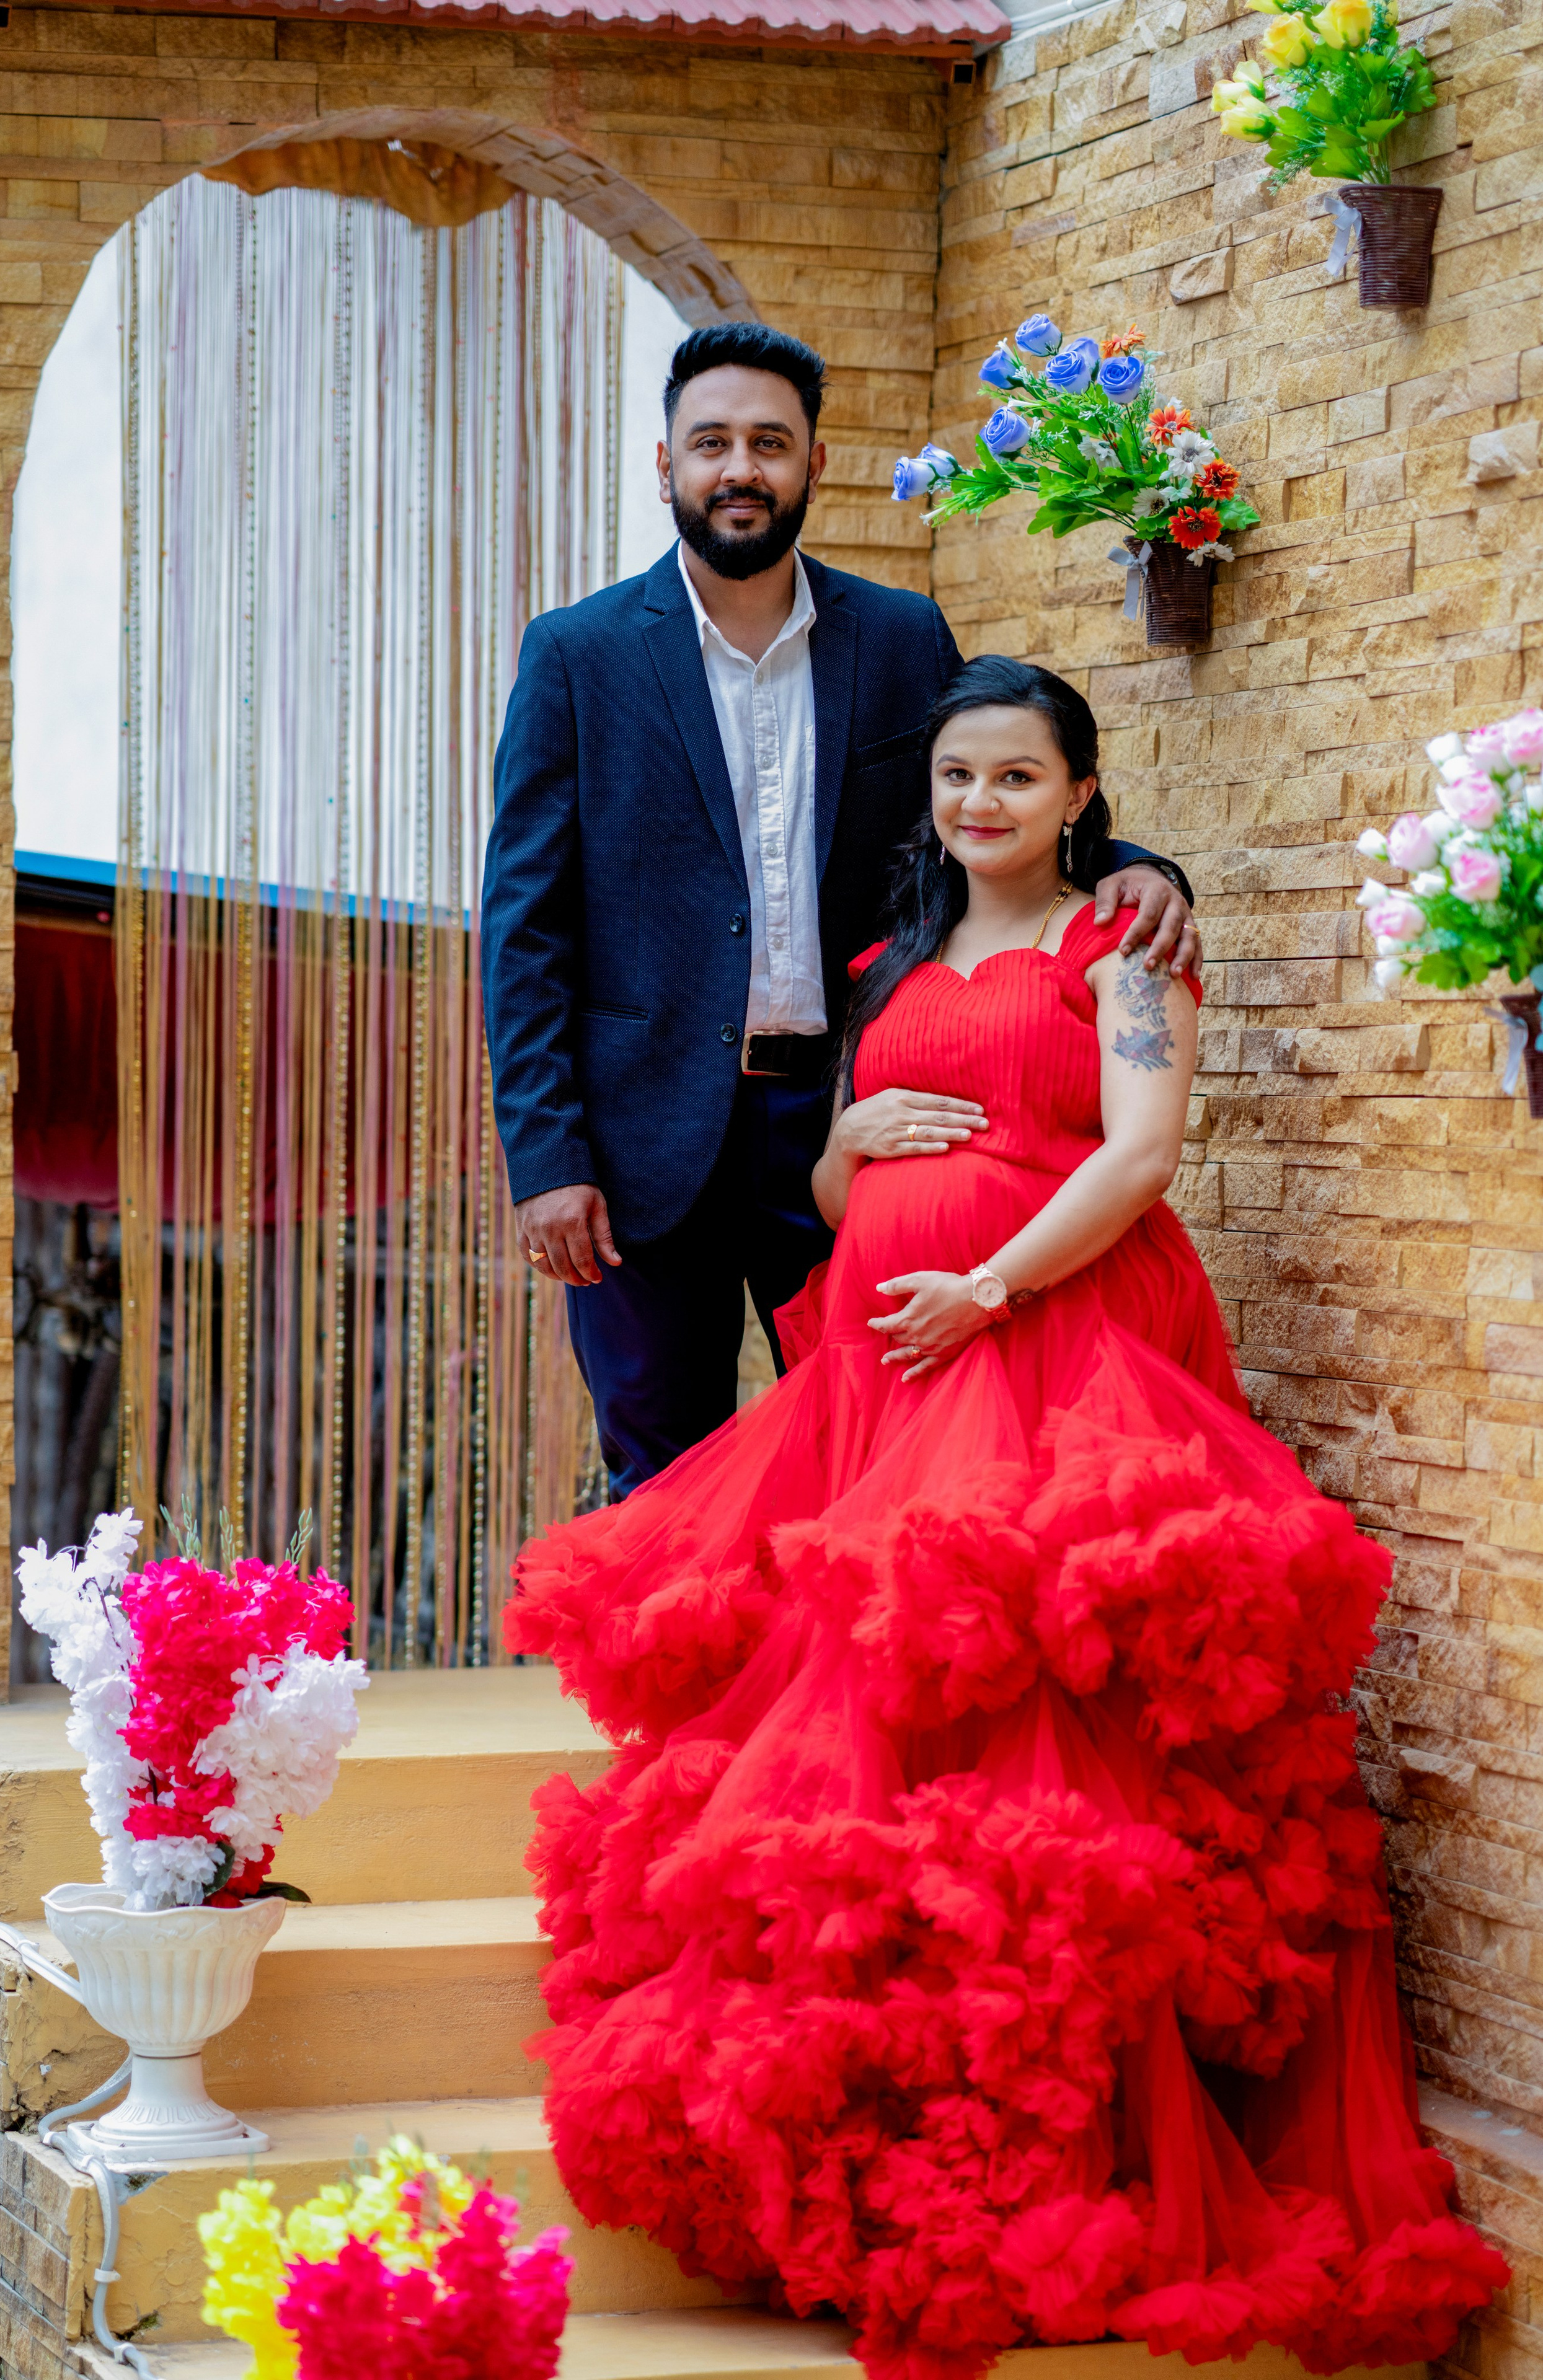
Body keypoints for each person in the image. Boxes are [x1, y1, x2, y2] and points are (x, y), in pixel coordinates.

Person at [505, 656, 1505, 2380]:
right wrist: (853, 1142)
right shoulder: (894, 962)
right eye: (962, 776)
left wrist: (982, 1286)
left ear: (1081, 795)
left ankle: (1066, 2165)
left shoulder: (1127, 951)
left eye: (1020, 778)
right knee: (881, 1746)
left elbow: (1138, 1157)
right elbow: (834, 1187)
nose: (984, 805)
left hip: (1055, 1356)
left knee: (1044, 1749)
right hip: (878, 1385)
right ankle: (886, 2112)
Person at [482, 324, 1201, 1499]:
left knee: (880, 1454)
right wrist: (547, 1156)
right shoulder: (578, 655)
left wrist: (1135, 865)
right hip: (642, 1135)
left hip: (857, 1119)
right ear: (666, 466)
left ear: (815, 464)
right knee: (665, 1479)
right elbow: (526, 922)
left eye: (770, 442)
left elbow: (984, 782)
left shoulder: (900, 637)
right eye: (711, 442)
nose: (740, 468)